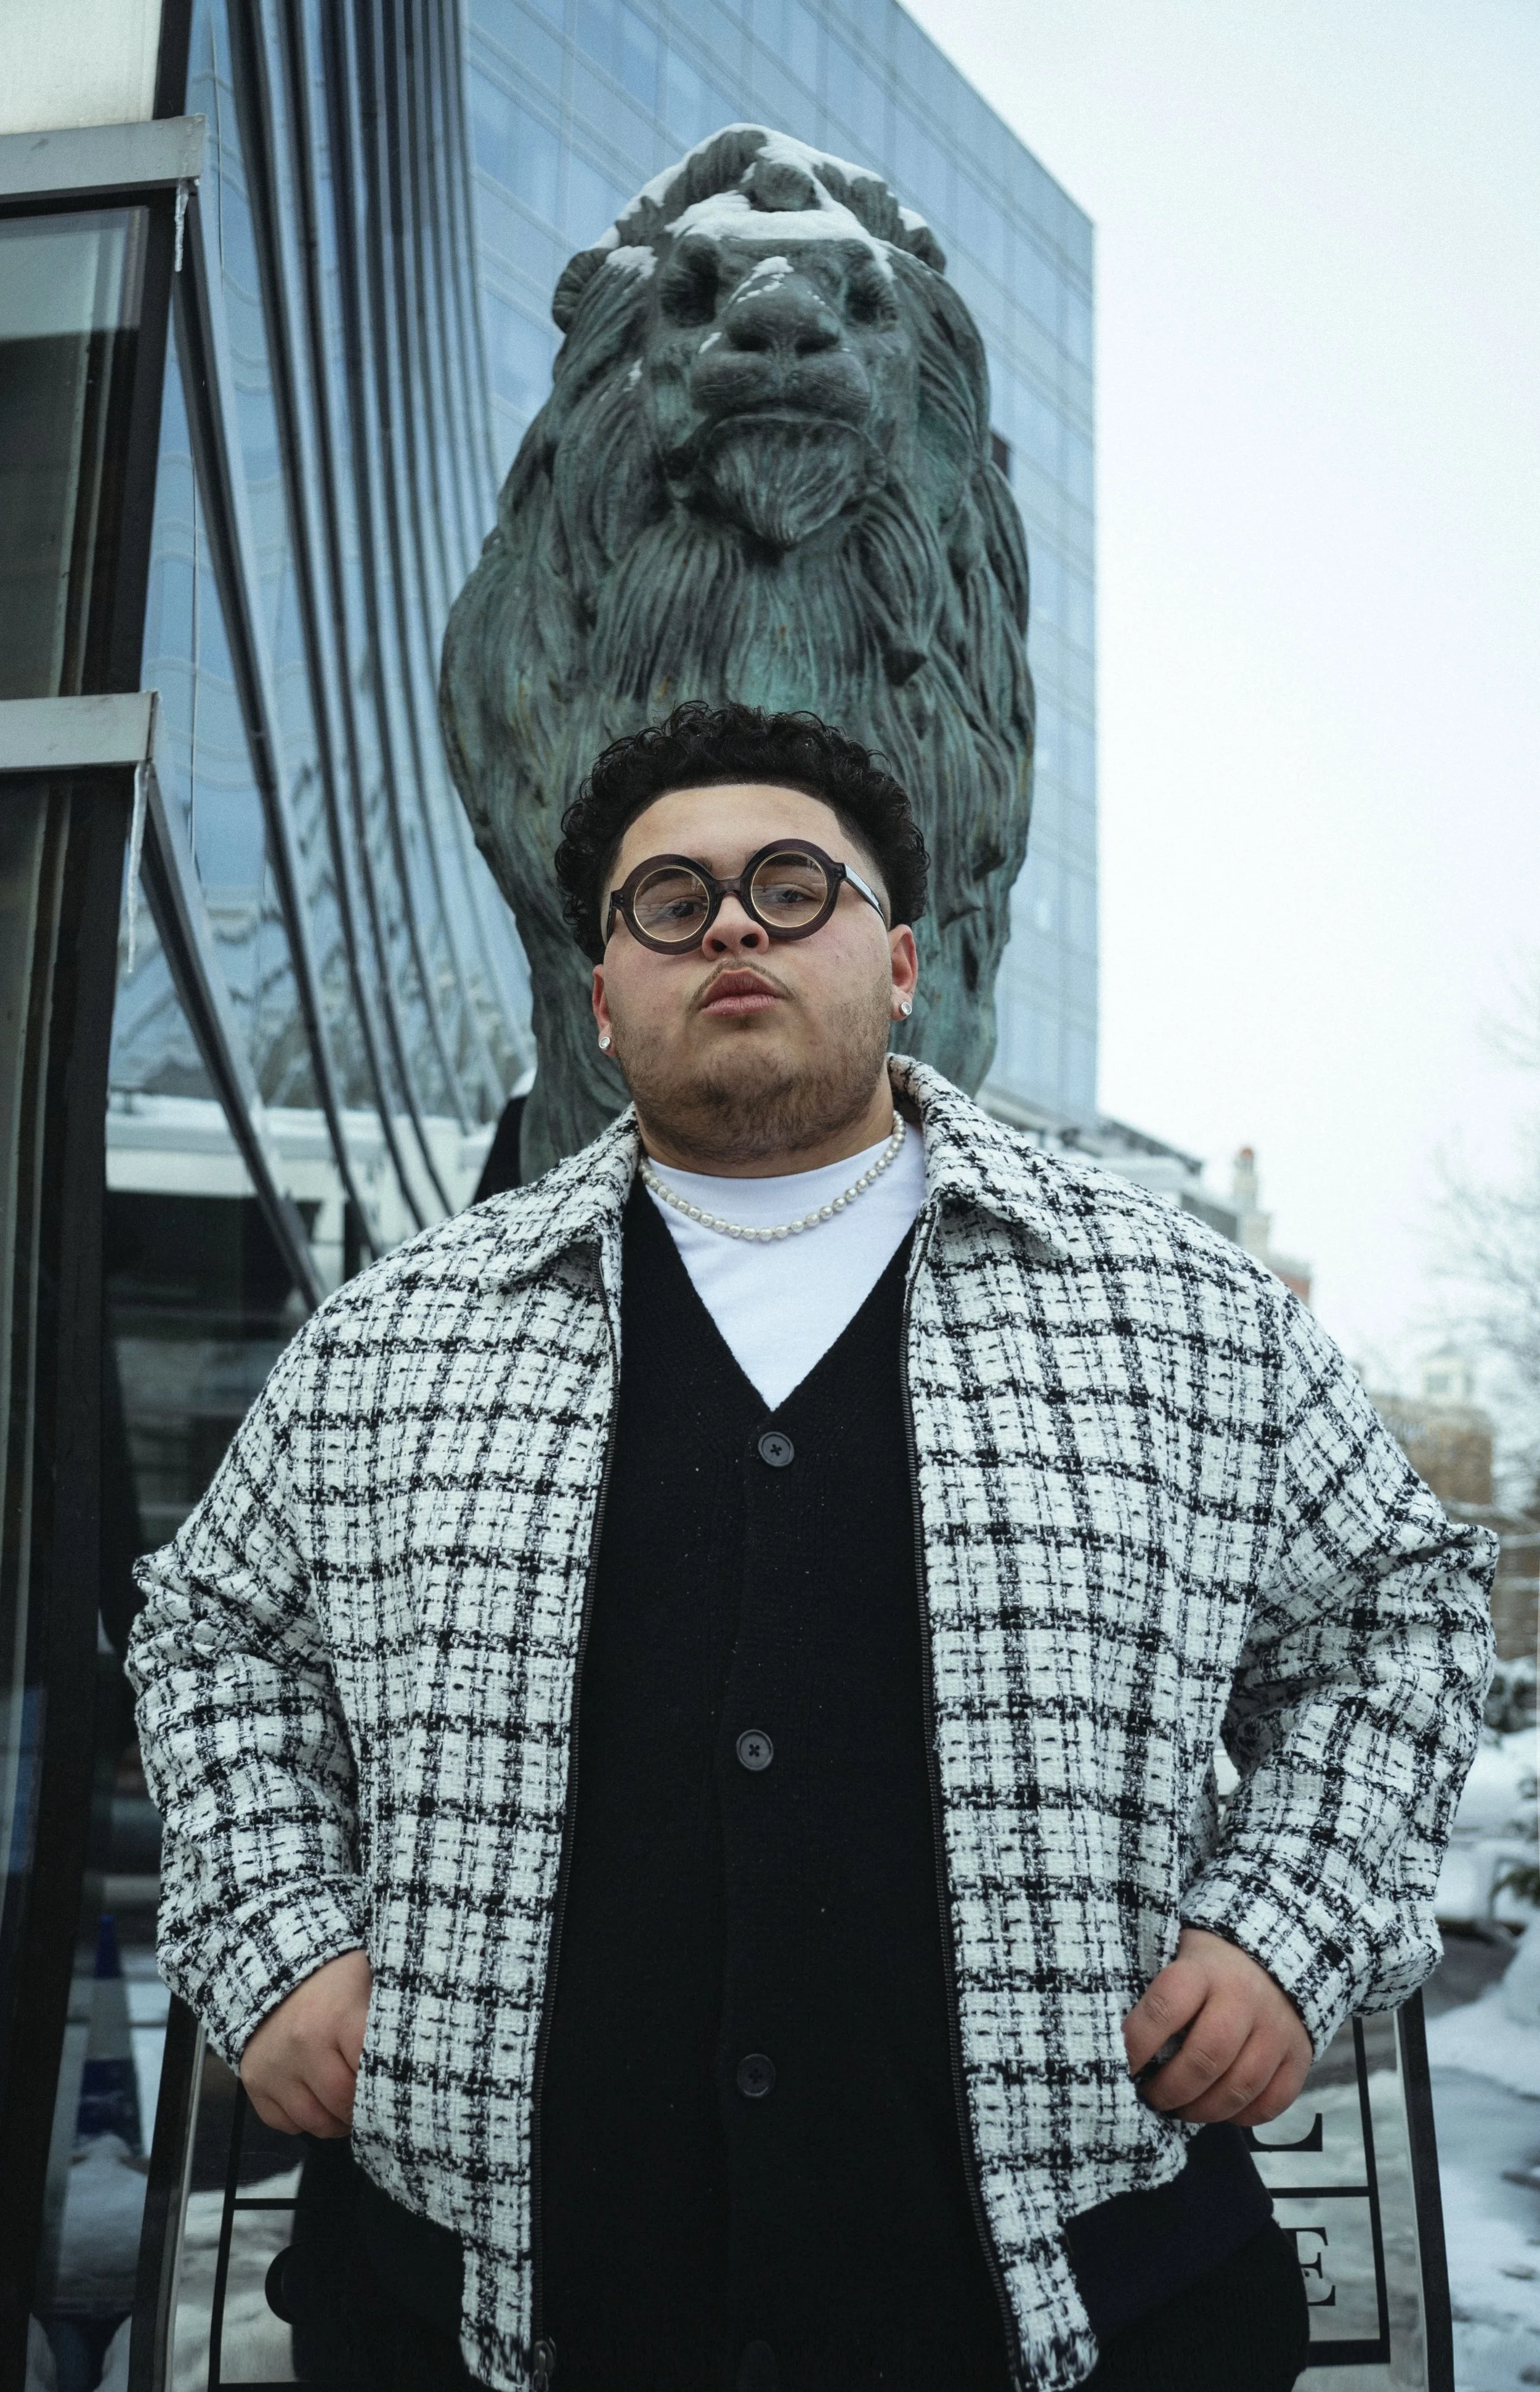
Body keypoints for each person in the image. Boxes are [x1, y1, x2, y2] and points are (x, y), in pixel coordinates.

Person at [128, 701, 1494, 2392]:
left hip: (1087, 2307)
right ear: (604, 1001)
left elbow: (1395, 1621)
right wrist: (279, 1942)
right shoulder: (397, 1335)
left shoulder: (1180, 1314)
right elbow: (216, 1639)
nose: (733, 927)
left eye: (792, 886)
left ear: (900, 962)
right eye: (669, 902)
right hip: (477, 2317)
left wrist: (1281, 1927)